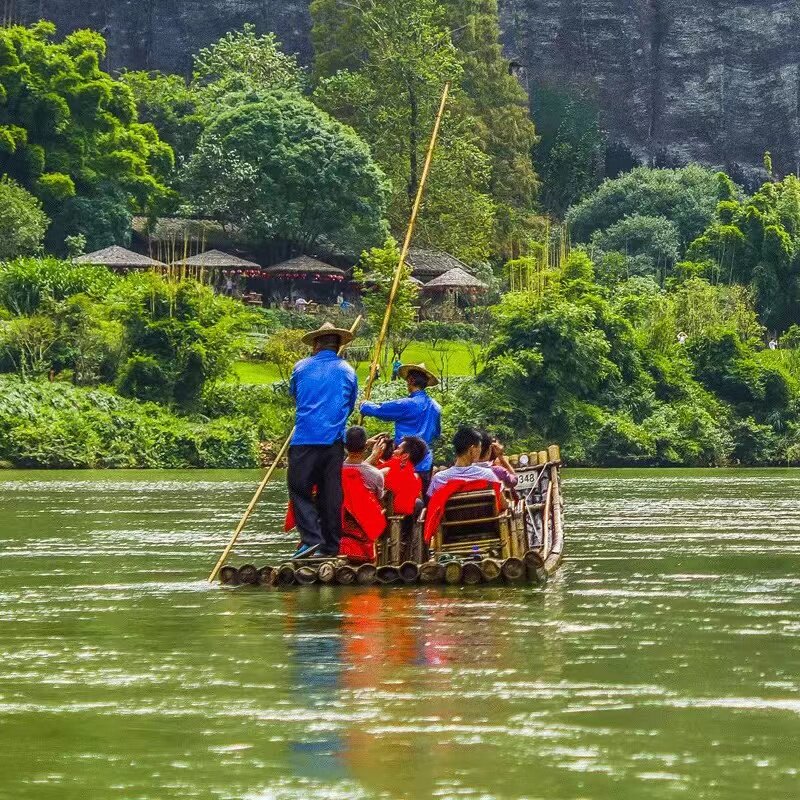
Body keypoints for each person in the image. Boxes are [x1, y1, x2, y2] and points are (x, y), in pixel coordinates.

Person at [287, 322, 358, 558]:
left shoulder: (301, 367)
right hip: (333, 441)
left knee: (299, 489)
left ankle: (311, 538)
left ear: (316, 344)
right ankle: (330, 545)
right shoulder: (348, 370)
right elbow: (348, 406)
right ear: (337, 346)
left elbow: (295, 395)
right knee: (330, 494)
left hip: (305, 438)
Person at [360, 362, 441, 490]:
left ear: (411, 380)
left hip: (405, 462)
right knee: (421, 497)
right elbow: (436, 433)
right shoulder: (436, 407)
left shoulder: (408, 404)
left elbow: (380, 410)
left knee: (401, 498)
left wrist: (364, 405)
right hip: (425, 462)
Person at [427, 426, 504, 499]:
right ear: (472, 449)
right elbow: (502, 503)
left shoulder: (439, 478)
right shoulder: (487, 475)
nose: (480, 451)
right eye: (479, 447)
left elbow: (432, 503)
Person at [343, 426, 385, 500]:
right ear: (366, 446)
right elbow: (379, 496)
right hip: (365, 510)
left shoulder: (335, 470)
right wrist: (373, 454)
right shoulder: (376, 474)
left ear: (345, 446)